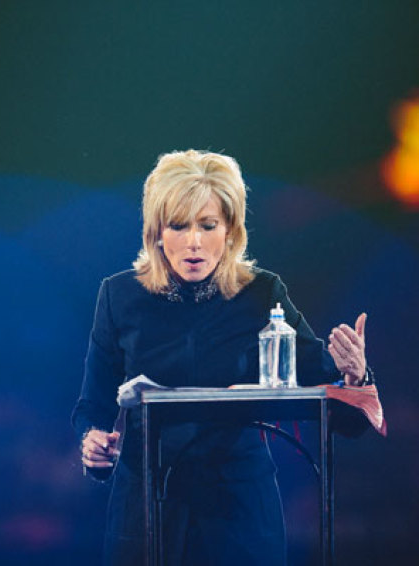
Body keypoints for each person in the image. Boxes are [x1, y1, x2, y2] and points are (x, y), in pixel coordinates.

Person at [71, 150, 372, 566]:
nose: (194, 241)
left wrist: (355, 377)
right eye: (179, 226)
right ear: (157, 232)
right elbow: (93, 405)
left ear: (230, 231)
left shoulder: (262, 295)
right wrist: (93, 441)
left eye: (208, 225)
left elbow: (343, 412)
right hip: (148, 507)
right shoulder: (119, 296)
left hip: (239, 509)